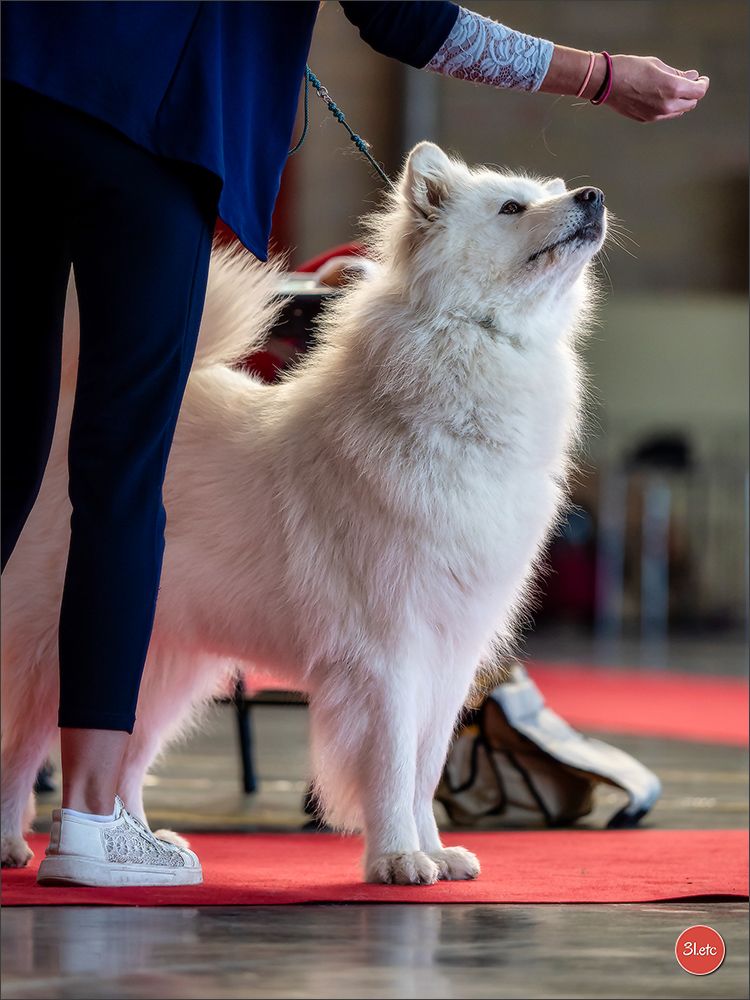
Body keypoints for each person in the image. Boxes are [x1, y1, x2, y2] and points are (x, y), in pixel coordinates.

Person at [0, 1, 709, 889]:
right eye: (515, 207)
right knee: (113, 477)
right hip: (147, 128)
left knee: (15, 459)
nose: (559, 208)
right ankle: (89, 816)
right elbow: (405, 15)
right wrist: (599, 75)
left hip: (22, 87)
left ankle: (122, 810)